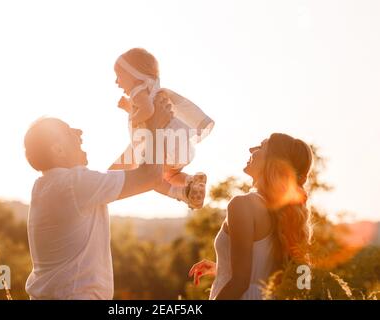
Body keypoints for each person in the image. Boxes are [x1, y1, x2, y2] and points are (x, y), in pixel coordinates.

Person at [23, 97, 172, 299]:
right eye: (69, 132)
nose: (79, 132)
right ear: (58, 150)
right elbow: (150, 177)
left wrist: (142, 137)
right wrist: (156, 127)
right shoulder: (74, 185)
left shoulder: (48, 186)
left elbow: (116, 176)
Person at [189, 133, 313, 299]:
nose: (251, 149)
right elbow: (264, 271)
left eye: (261, 147)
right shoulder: (280, 212)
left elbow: (240, 283)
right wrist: (223, 268)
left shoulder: (242, 204)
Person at [111, 48, 215, 209]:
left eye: (119, 76)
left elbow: (148, 111)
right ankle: (191, 181)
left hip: (163, 141)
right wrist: (129, 109)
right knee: (172, 174)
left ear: (133, 74)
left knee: (151, 177)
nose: (116, 82)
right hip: (178, 143)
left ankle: (178, 193)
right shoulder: (152, 89)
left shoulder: (137, 92)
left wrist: (132, 116)